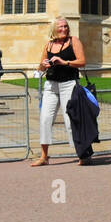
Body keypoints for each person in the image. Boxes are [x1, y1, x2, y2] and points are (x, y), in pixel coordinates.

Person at [33, 17, 86, 167]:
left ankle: (81, 154)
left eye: (66, 26)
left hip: (69, 84)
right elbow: (41, 67)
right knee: (45, 120)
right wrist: (43, 65)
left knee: (70, 120)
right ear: (54, 29)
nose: (64, 29)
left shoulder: (73, 41)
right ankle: (44, 156)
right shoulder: (48, 45)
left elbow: (82, 61)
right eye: (61, 27)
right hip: (51, 85)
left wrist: (64, 62)